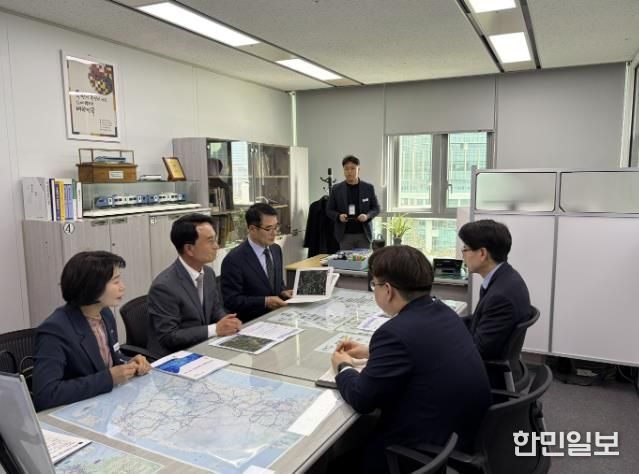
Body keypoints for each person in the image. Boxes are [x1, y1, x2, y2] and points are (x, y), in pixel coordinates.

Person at [331, 246, 491, 472]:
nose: (374, 290)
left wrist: (343, 366)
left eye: (374, 285)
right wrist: (370, 351)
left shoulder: (392, 334)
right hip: (460, 432)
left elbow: (362, 399)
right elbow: (422, 349)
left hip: (421, 450)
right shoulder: (443, 310)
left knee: (335, 465)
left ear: (388, 290)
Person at [32, 251, 152, 411]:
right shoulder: (55, 330)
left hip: (103, 406)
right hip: (74, 413)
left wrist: (129, 363)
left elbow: (108, 361)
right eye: (116, 281)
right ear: (92, 287)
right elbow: (46, 394)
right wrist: (109, 378)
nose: (122, 287)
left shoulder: (105, 313)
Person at [147, 213, 241, 357]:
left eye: (215, 240)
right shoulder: (164, 287)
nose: (216, 246)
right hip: (178, 356)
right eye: (210, 241)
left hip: (205, 347)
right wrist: (215, 329)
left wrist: (228, 321)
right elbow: (169, 337)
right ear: (189, 249)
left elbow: (215, 309)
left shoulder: (208, 273)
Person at [458, 219, 532, 371]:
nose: (463, 255)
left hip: (487, 374)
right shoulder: (505, 277)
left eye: (465, 249)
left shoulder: (501, 297)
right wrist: (448, 323)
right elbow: (479, 319)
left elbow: (478, 351)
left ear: (482, 253)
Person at [221, 203, 291, 322]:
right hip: (251, 322)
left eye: (276, 227)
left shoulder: (276, 249)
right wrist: (264, 301)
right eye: (268, 229)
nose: (274, 233)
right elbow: (232, 301)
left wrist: (283, 292)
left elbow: (277, 285)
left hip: (279, 317)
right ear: (252, 229)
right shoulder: (234, 259)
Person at [326, 155, 380, 250]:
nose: (349, 171)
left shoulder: (368, 188)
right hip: (344, 235)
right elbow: (329, 210)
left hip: (364, 234)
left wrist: (367, 216)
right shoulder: (336, 189)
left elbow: (376, 208)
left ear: (358, 170)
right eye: (346, 169)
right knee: (346, 260)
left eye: (352, 168)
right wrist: (338, 216)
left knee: (364, 259)